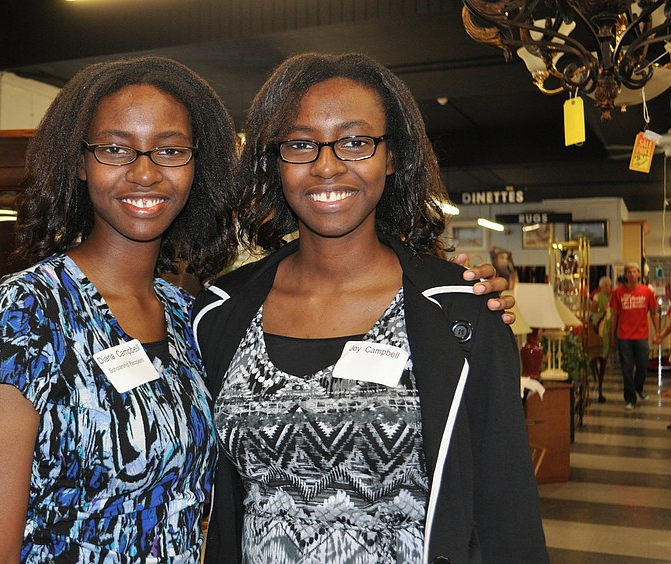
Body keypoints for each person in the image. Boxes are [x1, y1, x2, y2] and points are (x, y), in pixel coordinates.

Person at [193, 52, 548, 564]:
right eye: (300, 143)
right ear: (275, 160)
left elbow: (506, 514)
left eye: (356, 142)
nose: (327, 165)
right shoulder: (220, 314)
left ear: (394, 156)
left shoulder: (462, 314)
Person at [0, 56, 241, 562]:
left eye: (170, 150)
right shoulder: (27, 313)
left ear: (197, 166)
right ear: (80, 163)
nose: (145, 172)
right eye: (115, 149)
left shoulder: (184, 314)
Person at [611, 262, 659, 411]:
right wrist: (612, 335)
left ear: (639, 274)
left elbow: (653, 313)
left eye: (634, 271)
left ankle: (639, 387)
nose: (632, 274)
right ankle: (630, 399)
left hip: (641, 335)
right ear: (625, 275)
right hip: (624, 336)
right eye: (629, 272)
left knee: (643, 366)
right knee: (626, 369)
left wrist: (657, 332)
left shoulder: (647, 292)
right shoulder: (618, 293)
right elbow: (613, 316)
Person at [588, 276, 613, 402]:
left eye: (609, 285)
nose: (608, 287)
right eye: (606, 285)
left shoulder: (612, 296)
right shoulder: (597, 296)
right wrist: (601, 310)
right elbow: (593, 309)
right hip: (600, 321)